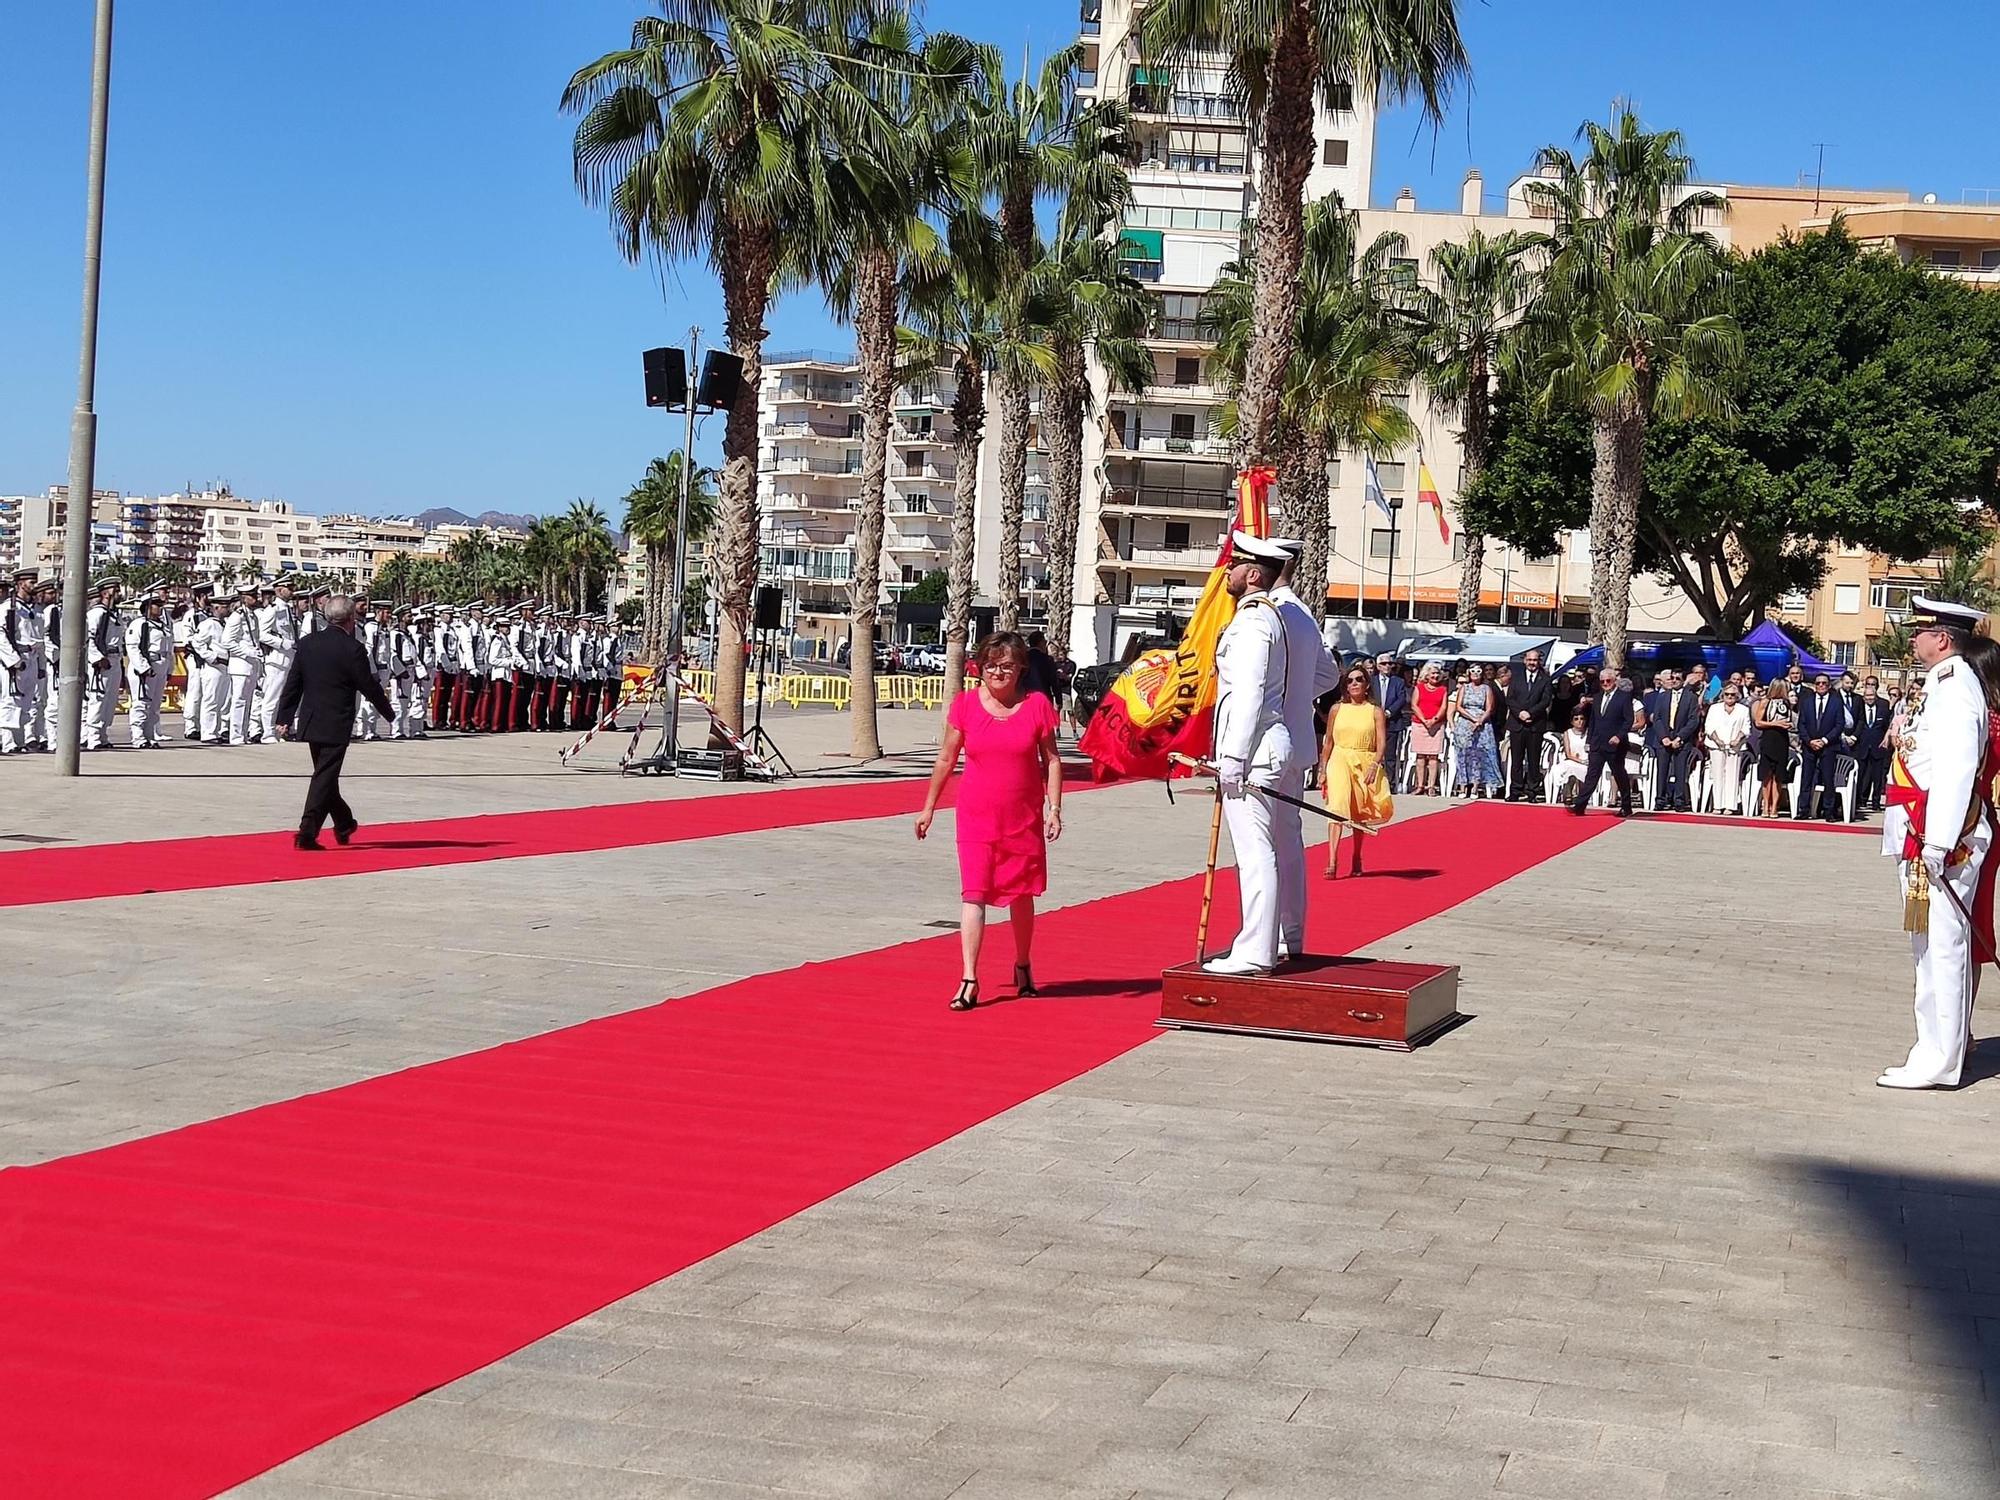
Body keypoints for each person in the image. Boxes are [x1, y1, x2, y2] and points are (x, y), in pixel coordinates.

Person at [1878, 597, 1999, 1089]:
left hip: (1944, 839)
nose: (1913, 639)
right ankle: (1931, 1048)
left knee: (1943, 949)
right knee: (1928, 949)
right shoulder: (1945, 684)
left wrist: (1939, 842)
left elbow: (1953, 771)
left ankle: (1941, 1059)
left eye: (1920, 631)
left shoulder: (1954, 688)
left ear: (1943, 638)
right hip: (1923, 830)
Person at [1197, 533, 1325, 976]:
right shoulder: (1286, 615)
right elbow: (1323, 674)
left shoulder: (1254, 620)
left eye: (1234, 565)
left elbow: (1248, 692)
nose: (1226, 571)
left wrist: (1231, 756)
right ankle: (1287, 935)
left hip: (1255, 750)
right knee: (1282, 846)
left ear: (1253, 574)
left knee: (1256, 852)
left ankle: (1255, 950)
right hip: (1279, 744)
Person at [915, 631, 1063, 1011]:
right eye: (992, 665)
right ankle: (969, 977)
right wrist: (929, 807)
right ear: (979, 667)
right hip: (977, 816)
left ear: (1020, 670)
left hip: (1023, 816)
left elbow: (1053, 761)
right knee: (974, 893)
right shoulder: (964, 705)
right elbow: (946, 759)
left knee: (1022, 894)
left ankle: (1023, 963)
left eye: (1008, 666)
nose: (999, 672)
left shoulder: (1036, 706)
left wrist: (1055, 808)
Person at [274, 594, 395, 851]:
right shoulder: (353, 648)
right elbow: (368, 685)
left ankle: (343, 822)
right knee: (323, 777)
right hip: (336, 721)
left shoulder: (307, 644)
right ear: (351, 620)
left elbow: (293, 683)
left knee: (325, 776)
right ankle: (307, 833)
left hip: (312, 719)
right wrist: (388, 711)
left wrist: (284, 716)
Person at [1321, 664, 1391, 878]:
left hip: (1364, 759)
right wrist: (1322, 770)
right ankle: (1332, 860)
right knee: (1337, 806)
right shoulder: (1336, 709)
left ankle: (1357, 856)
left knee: (1358, 810)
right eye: (1350, 680)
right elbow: (1328, 742)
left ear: (1367, 684)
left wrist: (1375, 764)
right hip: (1339, 758)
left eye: (1359, 679)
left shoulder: (1375, 711)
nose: (1354, 684)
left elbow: (1381, 743)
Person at [1570, 666, 1635, 817]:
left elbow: (1628, 720)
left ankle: (1626, 806)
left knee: (1619, 774)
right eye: (1603, 681)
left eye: (1608, 680)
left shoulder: (1623, 697)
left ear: (1614, 681)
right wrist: (1589, 741)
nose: (1606, 683)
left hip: (1615, 744)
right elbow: (1593, 721)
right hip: (1598, 743)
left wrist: (1619, 736)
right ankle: (1580, 805)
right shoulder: (1598, 697)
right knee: (1592, 775)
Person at [123, 590, 172, 748]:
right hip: (145, 667)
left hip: (161, 666)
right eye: (157, 605)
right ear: (147, 607)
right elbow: (133, 648)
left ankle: (149, 735)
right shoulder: (138, 624)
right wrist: (143, 667)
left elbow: (168, 649)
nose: (160, 608)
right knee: (141, 703)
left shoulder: (162, 625)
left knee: (155, 704)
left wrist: (169, 669)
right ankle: (138, 737)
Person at [1503, 648, 1553, 801]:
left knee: (1533, 760)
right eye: (1530, 660)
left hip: (1535, 725)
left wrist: (1530, 713)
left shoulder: (1545, 680)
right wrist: (1520, 714)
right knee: (1516, 760)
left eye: (1535, 660)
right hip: (1517, 724)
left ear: (1539, 661)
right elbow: (1510, 699)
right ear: (1525, 661)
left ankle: (1532, 791)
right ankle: (1515, 791)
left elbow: (1545, 700)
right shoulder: (1516, 678)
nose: (1532, 663)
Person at [1795, 671, 1846, 822]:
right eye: (1818, 683)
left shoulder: (1836, 702)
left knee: (1828, 779)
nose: (1821, 686)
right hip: (1809, 746)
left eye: (1824, 683)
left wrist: (1824, 740)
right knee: (1806, 779)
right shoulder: (1807, 701)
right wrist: (1809, 741)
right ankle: (1804, 809)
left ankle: (1828, 811)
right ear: (1814, 685)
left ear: (1829, 685)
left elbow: (1839, 725)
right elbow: (1801, 724)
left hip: (1828, 746)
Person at [0, 569, 40, 755]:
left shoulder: (31, 609)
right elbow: (1, 634)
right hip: (15, 660)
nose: (34, 585)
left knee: (26, 702)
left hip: (31, 658)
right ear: (19, 584)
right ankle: (8, 742)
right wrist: (13, 660)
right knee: (11, 701)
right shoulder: (9, 607)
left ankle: (19, 739)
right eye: (31, 582)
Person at [1652, 668, 1702, 812]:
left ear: (1683, 680)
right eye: (1672, 678)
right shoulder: (1662, 696)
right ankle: (1660, 800)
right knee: (1662, 771)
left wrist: (1680, 737)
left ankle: (1679, 801)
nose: (1674, 681)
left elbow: (1693, 720)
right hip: (1665, 738)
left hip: (1681, 739)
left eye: (1677, 678)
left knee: (1680, 771)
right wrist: (1664, 737)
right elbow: (1657, 718)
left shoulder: (1690, 697)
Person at [220, 583, 265, 745]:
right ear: (245, 598)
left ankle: (243, 734)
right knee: (239, 701)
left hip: (251, 665)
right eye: (252, 596)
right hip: (240, 665)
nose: (256, 599)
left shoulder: (252, 616)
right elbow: (227, 641)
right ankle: (236, 736)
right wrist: (246, 652)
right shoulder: (237, 616)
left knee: (247, 702)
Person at [256, 580, 299, 744]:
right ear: (280, 590)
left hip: (289, 658)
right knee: (271, 697)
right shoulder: (272, 610)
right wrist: (282, 643)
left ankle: (278, 730)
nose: (292, 591)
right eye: (290, 588)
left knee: (283, 698)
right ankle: (267, 733)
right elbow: (262, 634)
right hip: (277, 659)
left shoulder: (287, 610)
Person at [1449, 663, 1500, 797]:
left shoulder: (1486, 689)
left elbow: (1489, 708)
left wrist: (1480, 720)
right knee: (1463, 755)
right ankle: (1462, 787)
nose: (1476, 674)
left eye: (1478, 671)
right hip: (1465, 723)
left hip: (1482, 725)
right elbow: (1458, 706)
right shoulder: (1464, 688)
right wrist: (1472, 718)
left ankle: (1475, 787)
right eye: (1473, 671)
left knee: (1477, 756)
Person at [1702, 681, 1751, 815]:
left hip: (1735, 746)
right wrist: (1718, 740)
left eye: (1733, 694)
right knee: (1717, 775)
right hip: (1716, 745)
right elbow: (1709, 727)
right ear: (1722, 695)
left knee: (1732, 775)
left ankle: (1730, 805)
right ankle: (1717, 805)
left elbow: (1746, 728)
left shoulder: (1743, 709)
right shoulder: (1714, 708)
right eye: (1727, 694)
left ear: (1737, 695)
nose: (1730, 697)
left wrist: (1737, 739)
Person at [1752, 680, 1794, 818]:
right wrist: (1776, 724)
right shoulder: (1766, 701)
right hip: (1769, 738)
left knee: (1778, 776)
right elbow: (1758, 722)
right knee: (1767, 775)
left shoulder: (1787, 703)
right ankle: (1766, 805)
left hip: (1782, 740)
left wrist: (1787, 725)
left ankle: (1775, 806)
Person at [1854, 675, 1892, 815]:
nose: (1869, 698)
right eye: (1867, 696)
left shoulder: (1883, 705)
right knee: (1861, 775)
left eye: (1872, 695)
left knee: (1877, 776)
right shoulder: (1859, 706)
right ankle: (1860, 800)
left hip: (1878, 745)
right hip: (1862, 745)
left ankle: (1876, 802)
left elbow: (1886, 725)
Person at [1409, 662, 1449, 796]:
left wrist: (1434, 720)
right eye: (1433, 673)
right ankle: (1420, 785)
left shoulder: (1443, 689)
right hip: (1420, 724)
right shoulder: (1419, 687)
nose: (1435, 676)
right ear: (1427, 675)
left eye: (1437, 673)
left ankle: (1431, 786)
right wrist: (1424, 720)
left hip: (1436, 725)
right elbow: (1414, 705)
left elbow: (1443, 707)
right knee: (1420, 755)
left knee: (1433, 756)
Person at [1548, 707, 1591, 807]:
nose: (1579, 721)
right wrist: (1580, 760)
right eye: (1576, 719)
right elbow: (1568, 754)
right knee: (1569, 767)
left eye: (1581, 718)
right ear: (1572, 722)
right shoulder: (1567, 733)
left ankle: (1582, 795)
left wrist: (1585, 760)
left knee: (1585, 769)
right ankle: (1568, 793)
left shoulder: (1589, 732)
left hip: (1586, 760)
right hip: (1572, 759)